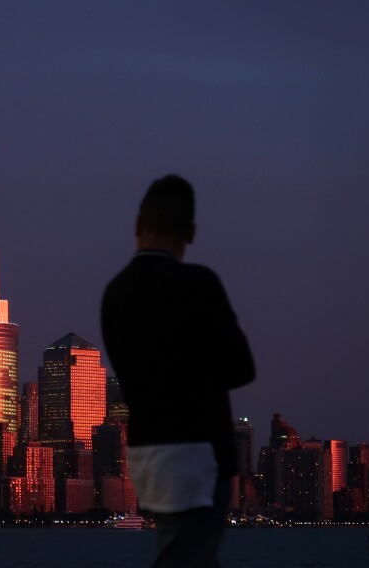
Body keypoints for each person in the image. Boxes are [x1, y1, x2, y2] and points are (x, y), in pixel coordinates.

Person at [101, 174, 255, 568]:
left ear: (138, 225)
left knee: (191, 553)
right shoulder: (200, 284)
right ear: (191, 232)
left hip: (147, 457)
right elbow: (242, 367)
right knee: (185, 558)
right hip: (200, 454)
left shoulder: (115, 293)